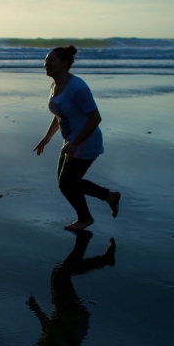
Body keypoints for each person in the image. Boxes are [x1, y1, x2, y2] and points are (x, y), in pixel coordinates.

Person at [33, 46, 120, 231]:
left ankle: (86, 217)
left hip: (86, 142)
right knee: (65, 183)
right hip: (71, 142)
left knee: (67, 184)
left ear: (65, 64)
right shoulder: (55, 85)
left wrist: (75, 144)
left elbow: (95, 118)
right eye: (46, 60)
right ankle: (109, 196)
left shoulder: (78, 88)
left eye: (51, 60)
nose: (46, 64)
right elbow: (60, 114)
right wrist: (46, 138)